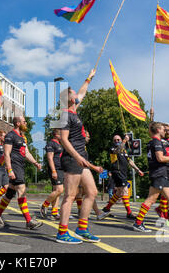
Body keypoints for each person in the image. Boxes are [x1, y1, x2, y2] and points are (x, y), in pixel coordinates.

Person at [55, 69, 104, 244]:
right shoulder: (64, 114)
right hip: (72, 159)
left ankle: (82, 229)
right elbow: (64, 140)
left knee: (92, 192)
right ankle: (62, 232)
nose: (76, 94)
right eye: (73, 93)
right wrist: (77, 157)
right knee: (69, 195)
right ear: (68, 98)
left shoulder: (74, 111)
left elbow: (82, 92)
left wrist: (89, 78)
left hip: (81, 160)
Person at [0, 115, 43, 230]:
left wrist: (35, 163)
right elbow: (6, 153)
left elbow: (26, 153)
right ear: (18, 123)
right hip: (14, 166)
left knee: (10, 193)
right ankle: (29, 221)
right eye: (24, 122)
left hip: (21, 166)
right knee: (21, 190)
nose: (26, 123)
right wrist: (9, 169)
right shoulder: (10, 136)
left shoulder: (23, 138)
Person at [100, 134, 144, 219]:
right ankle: (129, 213)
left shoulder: (124, 150)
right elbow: (117, 151)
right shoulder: (113, 149)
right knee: (125, 191)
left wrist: (138, 169)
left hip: (123, 173)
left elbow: (130, 161)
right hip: (117, 172)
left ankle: (107, 208)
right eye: (115, 140)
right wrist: (124, 141)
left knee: (119, 193)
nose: (117, 141)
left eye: (118, 140)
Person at [40, 129, 64, 221]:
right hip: (55, 169)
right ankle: (44, 205)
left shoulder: (60, 144)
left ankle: (54, 212)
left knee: (56, 191)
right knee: (59, 190)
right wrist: (53, 171)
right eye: (60, 134)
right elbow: (50, 158)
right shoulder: (51, 144)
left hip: (61, 169)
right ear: (56, 135)